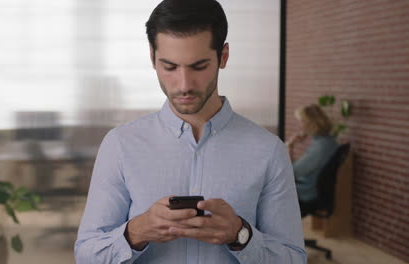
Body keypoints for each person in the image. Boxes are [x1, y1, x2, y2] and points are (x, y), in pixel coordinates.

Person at [75, 0, 306, 263]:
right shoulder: (120, 145)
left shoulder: (268, 150)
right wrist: (138, 230)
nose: (184, 85)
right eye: (170, 67)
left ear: (224, 56)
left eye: (198, 66)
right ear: (152, 58)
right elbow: (87, 255)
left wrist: (239, 235)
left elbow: (294, 259)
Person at [286, 104, 339, 215]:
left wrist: (290, 145)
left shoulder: (320, 146)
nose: (300, 125)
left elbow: (293, 172)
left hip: (305, 194)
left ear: (311, 123)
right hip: (309, 189)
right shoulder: (328, 141)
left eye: (302, 121)